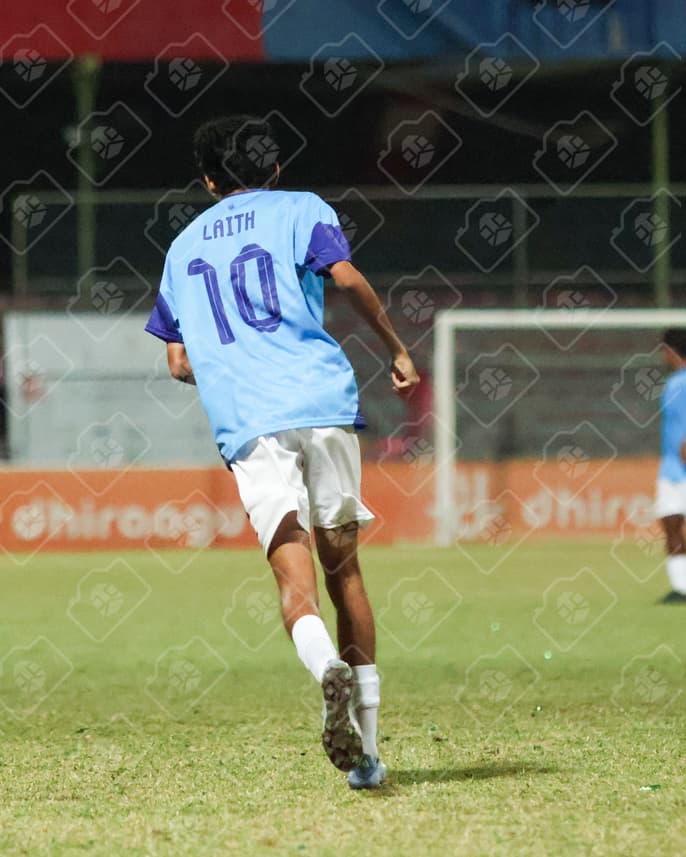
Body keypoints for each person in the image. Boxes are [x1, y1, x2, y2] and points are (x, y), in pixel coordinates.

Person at [144, 115, 420, 788]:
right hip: (321, 403)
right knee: (345, 571)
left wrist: (217, 355)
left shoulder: (182, 248)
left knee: (294, 586)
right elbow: (348, 279)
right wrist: (397, 347)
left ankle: (322, 661)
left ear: (209, 180)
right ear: (273, 169)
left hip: (250, 421)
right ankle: (371, 753)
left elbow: (178, 359)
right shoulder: (303, 209)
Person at [656, 328, 686, 603]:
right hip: (671, 467)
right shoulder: (674, 382)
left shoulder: (682, 383)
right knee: (671, 524)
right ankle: (681, 589)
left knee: (674, 525)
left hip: (682, 464)